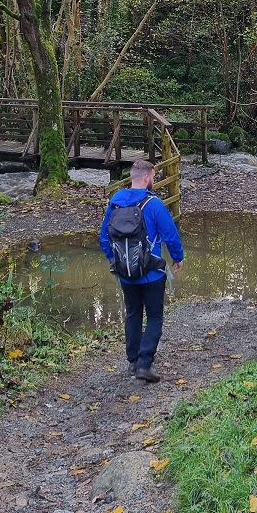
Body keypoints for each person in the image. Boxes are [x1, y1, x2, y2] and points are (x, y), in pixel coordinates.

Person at [99, 159, 184, 382]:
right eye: (154, 177)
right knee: (154, 316)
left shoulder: (115, 202)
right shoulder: (154, 204)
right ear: (146, 178)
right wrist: (178, 257)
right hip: (151, 273)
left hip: (126, 273)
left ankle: (133, 362)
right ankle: (145, 364)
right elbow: (170, 233)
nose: (154, 180)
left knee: (133, 314)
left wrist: (115, 260)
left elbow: (104, 238)